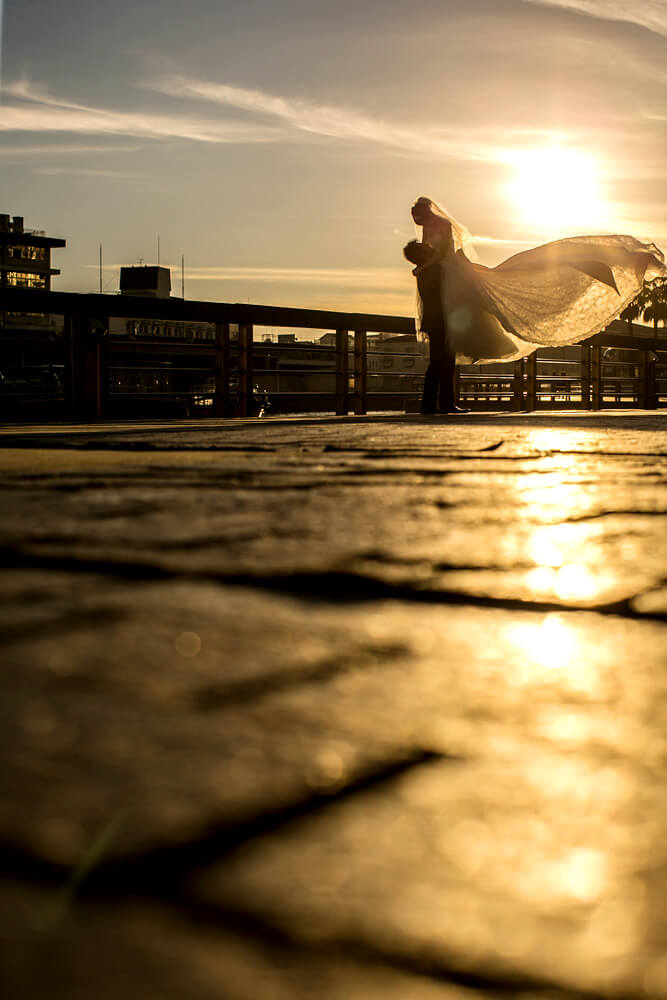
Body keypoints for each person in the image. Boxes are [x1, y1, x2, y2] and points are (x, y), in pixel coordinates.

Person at [407, 196, 666, 367]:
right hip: (447, 274)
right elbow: (430, 252)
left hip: (453, 271)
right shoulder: (429, 227)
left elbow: (442, 254)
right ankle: (445, 397)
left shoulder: (442, 225)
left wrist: (423, 268)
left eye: (418, 219)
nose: (417, 224)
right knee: (459, 333)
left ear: (424, 212)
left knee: (506, 288)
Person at [403, 238, 466, 413]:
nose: (430, 247)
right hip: (441, 320)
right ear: (422, 253)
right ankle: (438, 404)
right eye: (426, 247)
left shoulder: (425, 271)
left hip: (434, 321)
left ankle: (436, 404)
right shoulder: (435, 269)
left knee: (441, 362)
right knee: (442, 362)